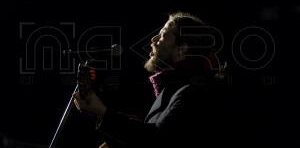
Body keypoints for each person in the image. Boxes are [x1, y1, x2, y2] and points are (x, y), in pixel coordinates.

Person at [73, 12, 232, 148]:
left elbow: (157, 140)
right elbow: (152, 132)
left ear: (181, 49)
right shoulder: (174, 88)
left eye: (163, 34)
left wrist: (102, 111)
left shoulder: (194, 92)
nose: (153, 40)